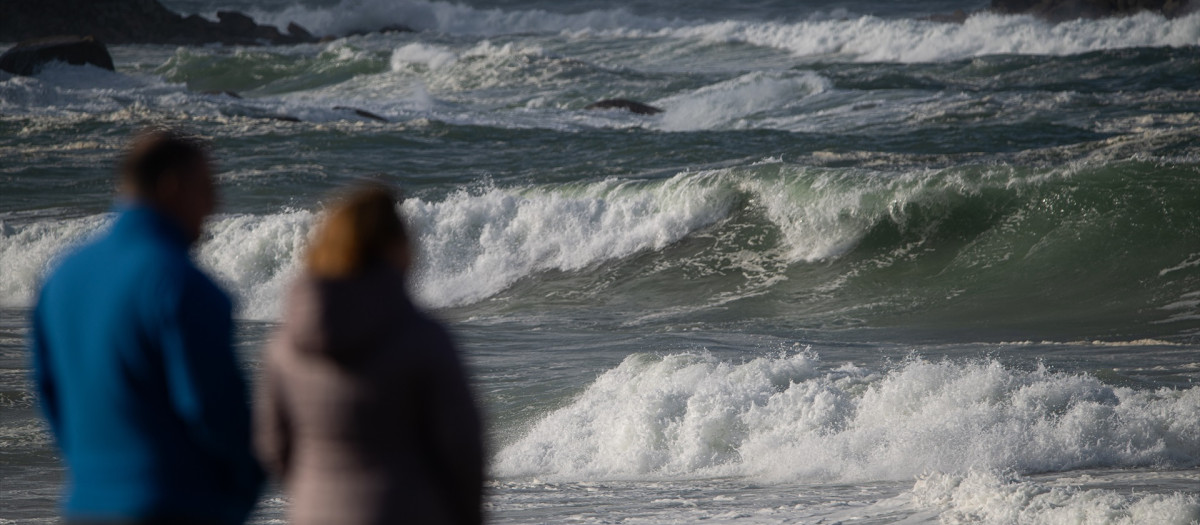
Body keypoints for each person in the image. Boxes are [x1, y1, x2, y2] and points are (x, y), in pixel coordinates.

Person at [29, 128, 263, 525]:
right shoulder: (181, 285)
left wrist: (94, 475)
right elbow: (214, 412)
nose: (214, 205)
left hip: (85, 505)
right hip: (173, 506)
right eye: (207, 187)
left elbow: (50, 394)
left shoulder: (62, 277)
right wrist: (243, 490)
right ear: (172, 187)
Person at [255, 184, 485, 525]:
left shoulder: (284, 346)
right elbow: (462, 451)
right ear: (394, 248)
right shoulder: (422, 339)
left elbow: (273, 447)